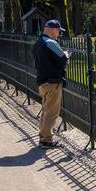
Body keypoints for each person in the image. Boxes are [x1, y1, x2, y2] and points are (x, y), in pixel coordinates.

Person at [32, 19, 68, 147]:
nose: (58, 33)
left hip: (42, 81)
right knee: (52, 112)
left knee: (46, 110)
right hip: (52, 82)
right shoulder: (50, 42)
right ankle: (47, 139)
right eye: (58, 30)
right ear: (52, 29)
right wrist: (66, 55)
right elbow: (62, 59)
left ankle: (43, 135)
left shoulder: (38, 42)